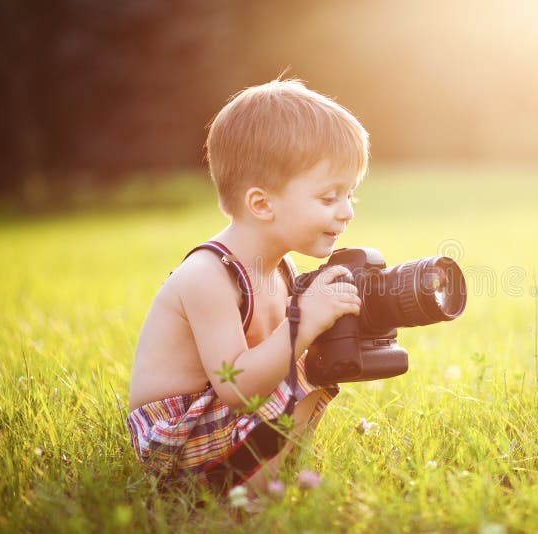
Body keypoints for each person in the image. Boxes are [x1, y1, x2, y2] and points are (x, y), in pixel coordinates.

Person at [126, 79, 368, 497]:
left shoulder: (282, 269)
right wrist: (303, 322)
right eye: (329, 198)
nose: (346, 212)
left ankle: (271, 481)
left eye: (350, 195)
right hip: (177, 441)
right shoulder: (208, 276)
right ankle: (243, 494)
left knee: (315, 365)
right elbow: (236, 386)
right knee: (303, 372)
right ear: (262, 204)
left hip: (219, 423)